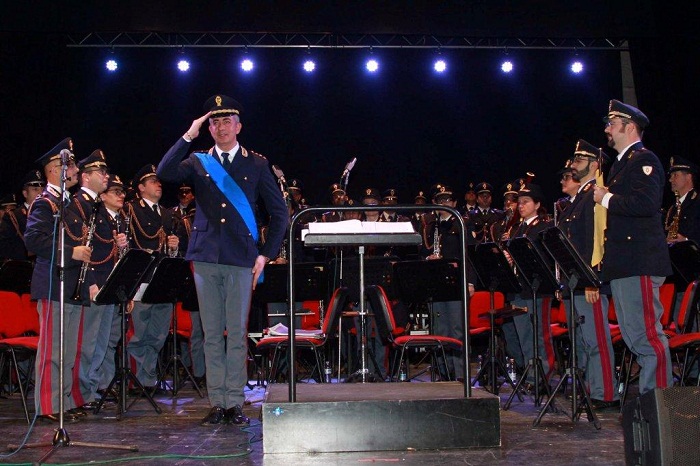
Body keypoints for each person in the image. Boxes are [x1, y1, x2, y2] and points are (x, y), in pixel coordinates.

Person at [157, 94, 287, 426]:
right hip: (205, 257)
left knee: (237, 333)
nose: (220, 127)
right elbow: (165, 171)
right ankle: (217, 402)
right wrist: (189, 134)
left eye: (227, 121)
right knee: (211, 332)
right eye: (214, 122)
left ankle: (234, 402)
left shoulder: (256, 164)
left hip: (242, 258)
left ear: (238, 126)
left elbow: (280, 214)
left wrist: (266, 254)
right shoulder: (198, 161)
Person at [593, 99, 673, 395]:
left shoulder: (644, 159)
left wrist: (605, 197)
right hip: (625, 263)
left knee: (646, 336)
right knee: (634, 335)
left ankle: (661, 403)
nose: (607, 129)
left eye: (612, 124)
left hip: (638, 261)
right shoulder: (621, 164)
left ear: (630, 128)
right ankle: (652, 401)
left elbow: (646, 204)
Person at [24, 137, 92, 422]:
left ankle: (65, 400)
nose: (75, 170)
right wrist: (70, 252)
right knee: (53, 349)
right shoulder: (45, 203)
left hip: (72, 284)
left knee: (69, 349)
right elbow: (33, 240)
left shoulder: (69, 204)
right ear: (54, 170)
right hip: (54, 283)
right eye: (70, 165)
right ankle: (49, 405)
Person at [558, 139, 618, 409]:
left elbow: (600, 238)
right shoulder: (578, 199)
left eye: (579, 160)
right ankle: (590, 389)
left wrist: (594, 279)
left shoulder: (596, 194)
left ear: (595, 165)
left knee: (596, 340)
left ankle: (605, 394)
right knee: (582, 341)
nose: (573, 164)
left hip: (589, 281)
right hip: (575, 281)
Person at [67, 149, 127, 411]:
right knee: (88, 343)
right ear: (85, 176)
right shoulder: (78, 204)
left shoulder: (96, 207)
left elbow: (100, 245)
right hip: (92, 284)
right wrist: (90, 281)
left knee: (100, 343)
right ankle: (82, 393)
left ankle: (89, 390)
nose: (106, 176)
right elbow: (83, 246)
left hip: (105, 283)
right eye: (100, 172)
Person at [125, 164, 180, 394]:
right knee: (139, 334)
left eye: (159, 181)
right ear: (141, 187)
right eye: (152, 181)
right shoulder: (131, 210)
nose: (158, 185)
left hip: (161, 280)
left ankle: (148, 379)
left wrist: (174, 248)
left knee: (158, 334)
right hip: (142, 279)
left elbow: (169, 250)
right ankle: (136, 381)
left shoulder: (167, 214)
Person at [422, 184, 476, 381]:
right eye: (440, 201)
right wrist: (429, 258)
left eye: (447, 200)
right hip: (437, 283)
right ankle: (444, 372)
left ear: (454, 203)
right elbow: (424, 250)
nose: (443, 203)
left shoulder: (461, 223)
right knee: (440, 330)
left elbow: (469, 254)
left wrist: (470, 282)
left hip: (456, 281)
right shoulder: (431, 226)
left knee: (457, 329)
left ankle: (461, 374)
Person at [504, 182, 556, 383]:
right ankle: (532, 375)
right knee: (524, 334)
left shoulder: (544, 226)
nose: (521, 206)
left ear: (537, 204)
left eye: (526, 202)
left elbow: (547, 256)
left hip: (538, 287)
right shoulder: (516, 229)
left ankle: (545, 376)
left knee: (540, 334)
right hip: (519, 287)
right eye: (519, 202)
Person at [0, 170, 45, 260]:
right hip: (25, 265)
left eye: (43, 190)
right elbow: (3, 247)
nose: (40, 193)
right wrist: (29, 252)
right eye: (35, 189)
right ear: (25, 193)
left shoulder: (51, 213)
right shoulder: (13, 217)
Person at [665, 156, 699, 244]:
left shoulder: (697, 202)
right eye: (671, 176)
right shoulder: (672, 208)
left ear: (688, 177)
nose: (670, 179)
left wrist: (687, 240)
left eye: (675, 175)